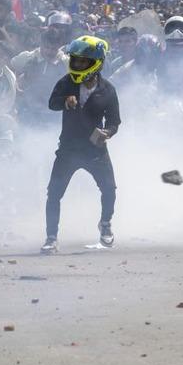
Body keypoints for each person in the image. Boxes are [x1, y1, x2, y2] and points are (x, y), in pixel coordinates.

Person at [41, 36, 121, 254]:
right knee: (54, 193)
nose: (77, 65)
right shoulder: (66, 82)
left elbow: (115, 121)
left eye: (82, 62)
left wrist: (108, 132)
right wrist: (64, 101)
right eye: (75, 61)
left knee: (109, 189)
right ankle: (51, 237)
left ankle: (105, 225)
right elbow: (51, 103)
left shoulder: (108, 90)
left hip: (95, 151)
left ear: (97, 63)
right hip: (68, 149)